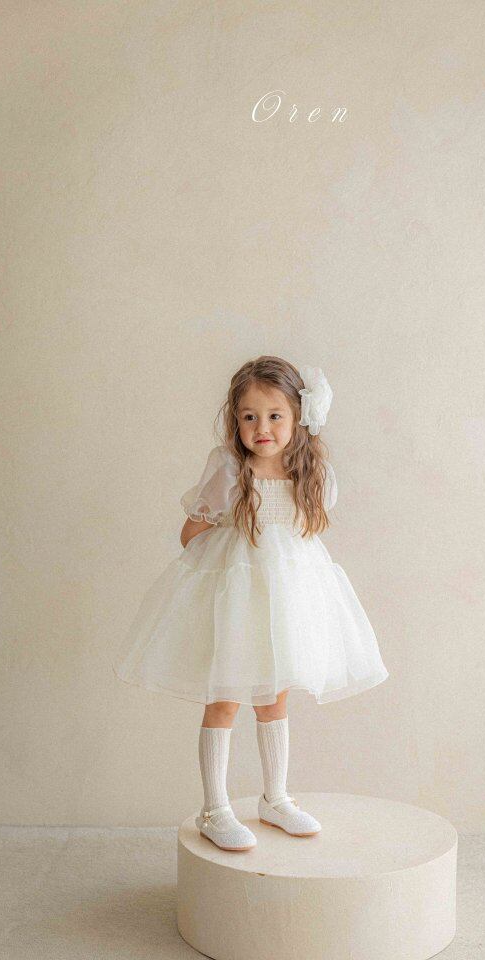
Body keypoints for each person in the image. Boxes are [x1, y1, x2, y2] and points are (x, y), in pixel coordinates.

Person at [112, 355, 389, 851]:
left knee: (274, 696)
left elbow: (307, 531)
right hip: (237, 600)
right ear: (235, 419)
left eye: (275, 415)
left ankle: (275, 798)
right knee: (224, 699)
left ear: (298, 416)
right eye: (249, 416)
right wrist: (222, 543)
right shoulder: (229, 468)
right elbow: (190, 533)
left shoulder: (311, 472)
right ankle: (214, 809)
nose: (262, 428)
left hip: (286, 601)